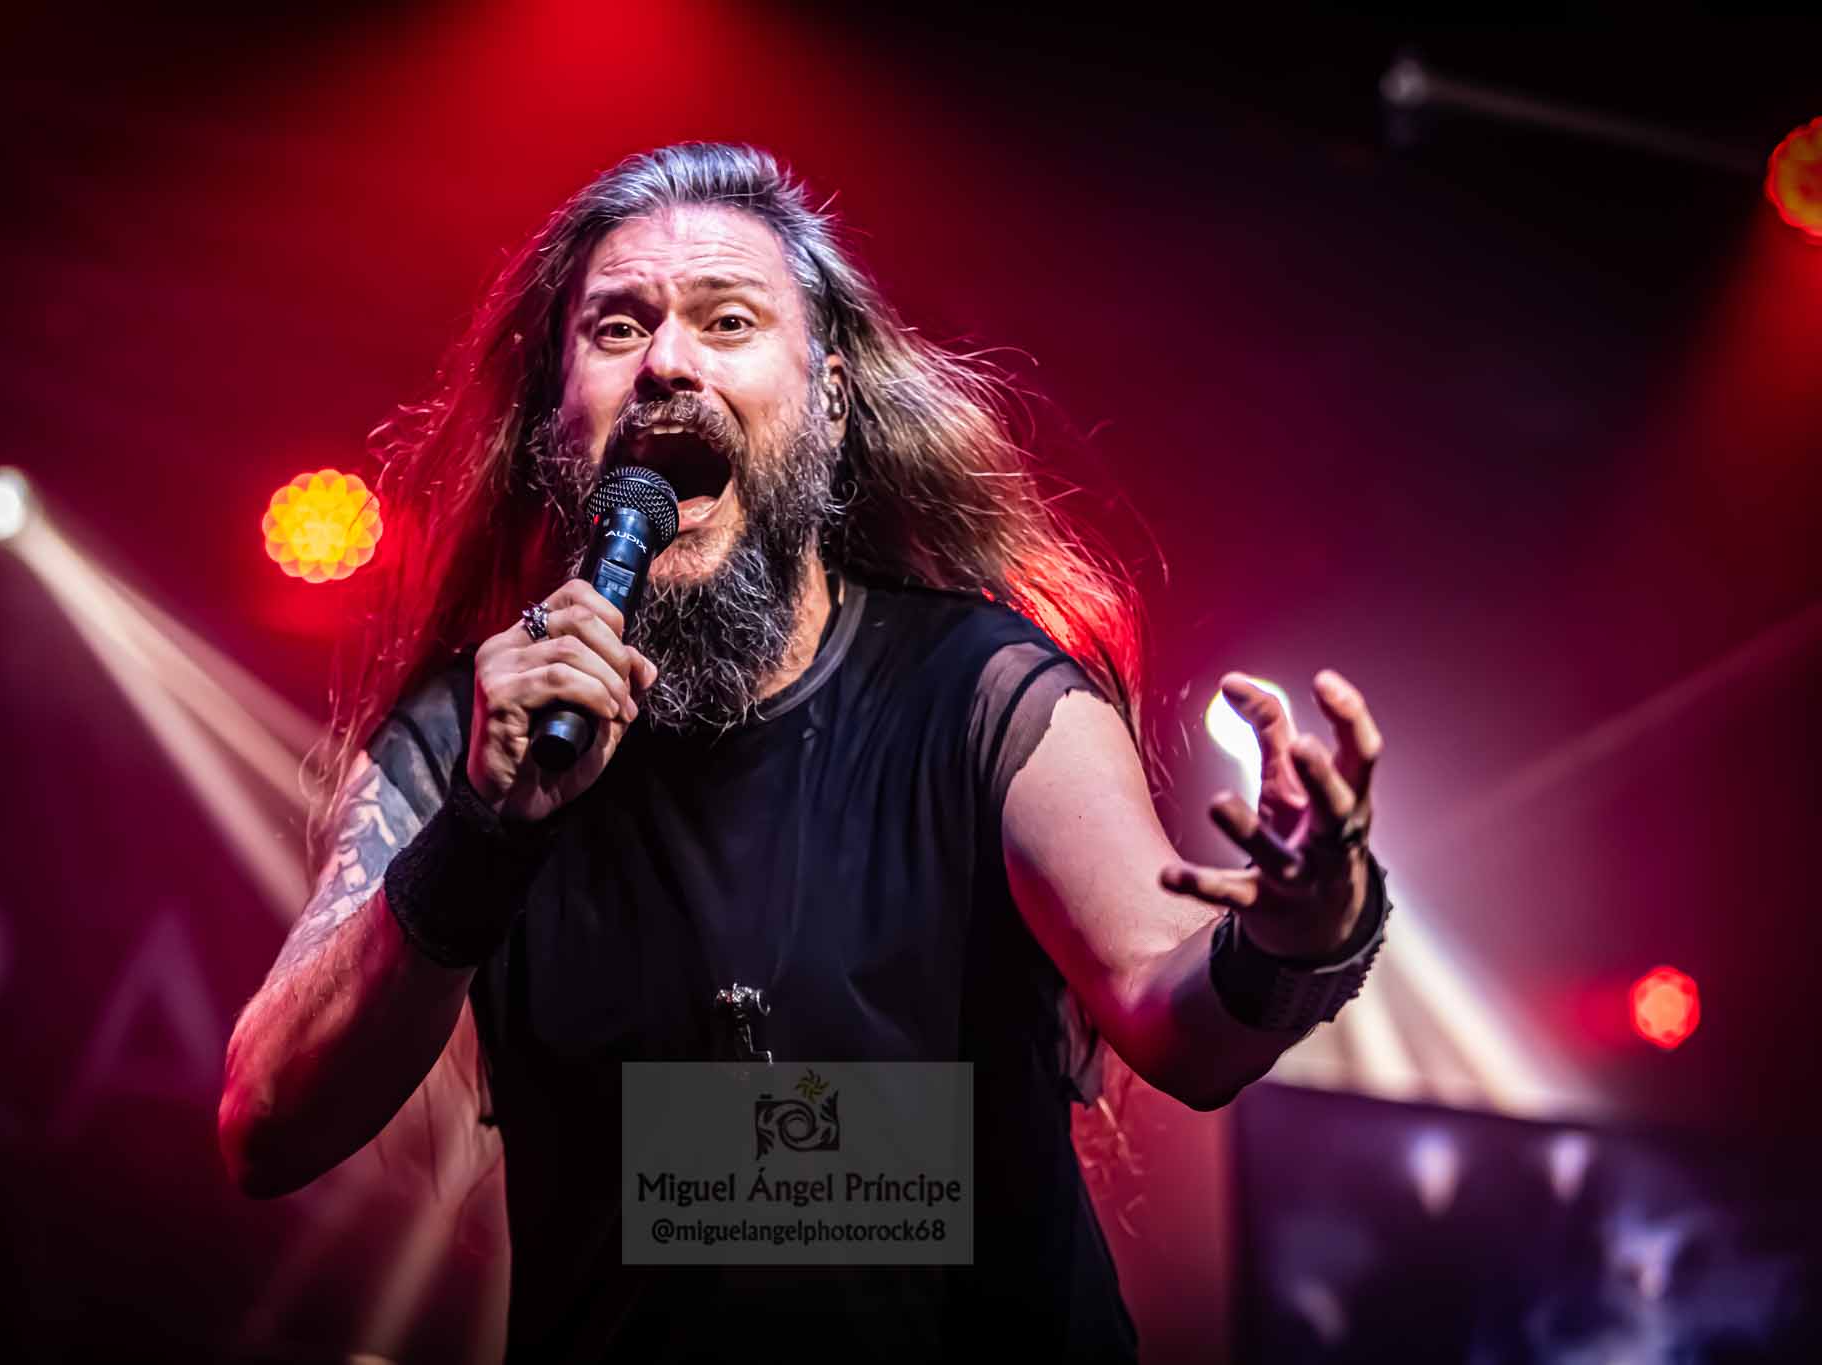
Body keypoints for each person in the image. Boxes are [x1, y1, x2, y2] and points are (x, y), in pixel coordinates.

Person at [217, 142, 1392, 1362]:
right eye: (616, 329)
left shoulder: (975, 692)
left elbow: (1175, 1019)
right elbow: (266, 1124)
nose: (666, 362)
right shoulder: (471, 736)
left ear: (828, 403)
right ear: (553, 420)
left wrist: (1304, 932)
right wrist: (480, 835)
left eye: (727, 321)